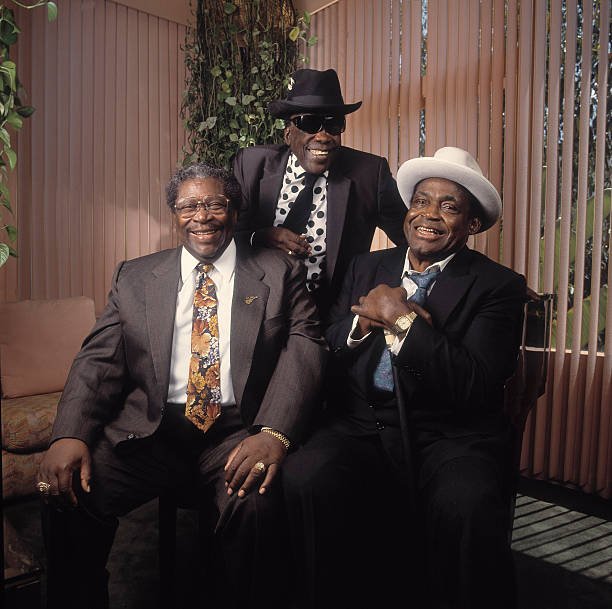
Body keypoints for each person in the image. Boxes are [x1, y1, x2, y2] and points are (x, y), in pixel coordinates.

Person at [37, 164, 327, 609]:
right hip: (150, 431)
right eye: (188, 206)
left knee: (255, 505)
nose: (202, 216)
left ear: (234, 210)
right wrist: (69, 432)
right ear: (174, 213)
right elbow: (98, 358)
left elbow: (306, 345)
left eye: (214, 204)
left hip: (235, 432)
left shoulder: (279, 271)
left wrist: (273, 432)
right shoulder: (134, 277)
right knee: (68, 492)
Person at [282, 147, 527, 609]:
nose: (428, 215)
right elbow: (327, 340)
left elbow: (475, 384)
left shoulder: (499, 287)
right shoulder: (366, 267)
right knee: (303, 477)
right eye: (421, 201)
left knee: (467, 505)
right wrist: (362, 324)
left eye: (449, 206)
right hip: (361, 427)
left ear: (472, 225)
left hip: (449, 437)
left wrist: (402, 321)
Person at [232, 68, 407, 320]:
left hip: (328, 314)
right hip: (257, 307)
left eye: (333, 124)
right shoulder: (252, 166)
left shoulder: (369, 173)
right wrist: (261, 237)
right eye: (309, 123)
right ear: (288, 131)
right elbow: (224, 237)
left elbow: (410, 238)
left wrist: (375, 281)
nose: (323, 136)